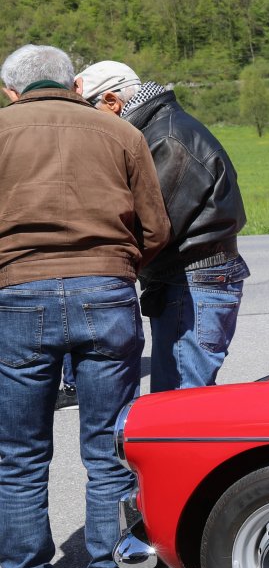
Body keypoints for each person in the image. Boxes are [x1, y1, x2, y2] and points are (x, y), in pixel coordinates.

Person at [0, 45, 170, 568]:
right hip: (105, 292)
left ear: (11, 91)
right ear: (73, 83)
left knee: (20, 454)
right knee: (108, 447)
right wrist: (116, 267)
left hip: (17, 295)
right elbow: (155, 227)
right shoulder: (120, 133)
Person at [76, 61, 250, 392]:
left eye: (89, 111)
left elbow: (152, 225)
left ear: (112, 101)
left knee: (180, 400)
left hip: (193, 280)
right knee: (177, 396)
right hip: (190, 278)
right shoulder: (156, 129)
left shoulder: (167, 138)